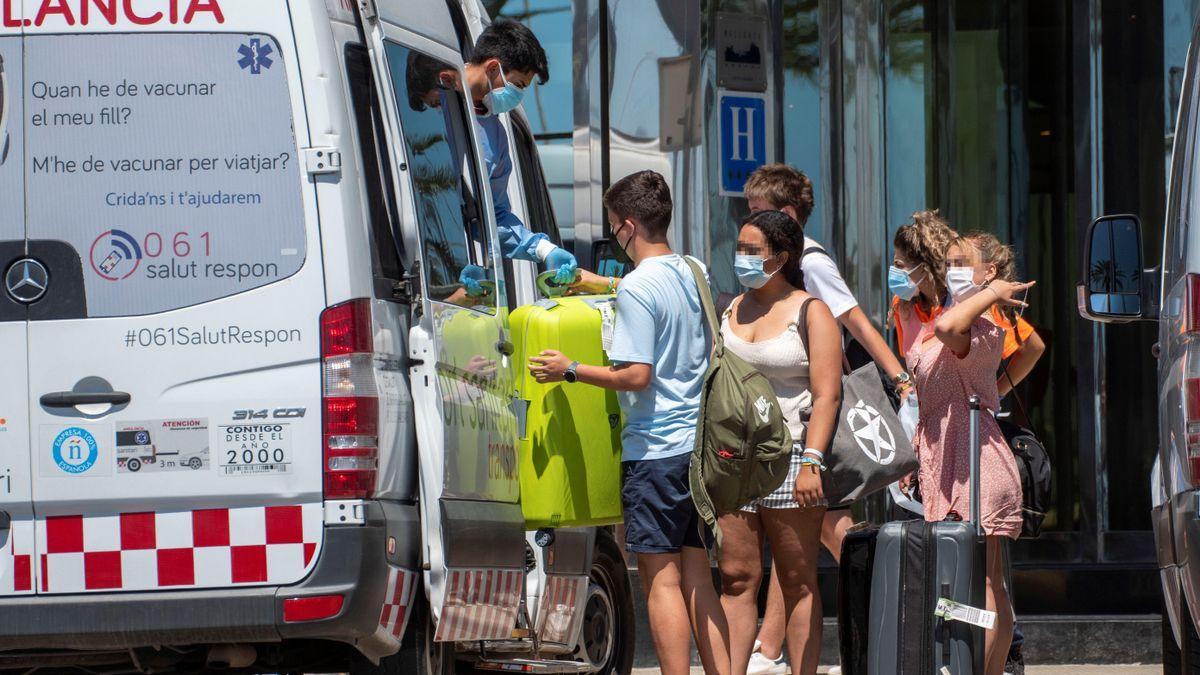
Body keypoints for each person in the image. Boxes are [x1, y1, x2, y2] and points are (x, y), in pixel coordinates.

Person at [527, 171, 731, 675]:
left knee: (660, 581)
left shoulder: (639, 288)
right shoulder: (694, 270)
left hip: (656, 452)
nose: (616, 234)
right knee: (699, 579)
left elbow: (636, 375)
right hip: (699, 450)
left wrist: (568, 369)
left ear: (629, 226)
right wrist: (605, 284)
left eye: (615, 226)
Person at [739, 164, 913, 675]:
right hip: (797, 421)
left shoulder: (808, 262)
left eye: (759, 214)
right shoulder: (782, 267)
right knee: (799, 539)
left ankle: (899, 616)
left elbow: (853, 318)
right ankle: (770, 651)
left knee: (831, 531)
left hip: (818, 418)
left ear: (786, 215)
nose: (750, 227)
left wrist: (900, 378)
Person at [892, 210, 1031, 675]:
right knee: (954, 584)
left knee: (986, 581)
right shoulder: (950, 314)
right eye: (947, 260)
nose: (952, 268)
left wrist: (991, 293)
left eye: (962, 261)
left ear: (989, 272)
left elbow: (951, 332)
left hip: (976, 461)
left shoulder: (985, 322)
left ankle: (987, 670)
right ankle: (963, 663)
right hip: (944, 458)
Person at [715, 210, 843, 675]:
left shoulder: (811, 310)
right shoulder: (730, 307)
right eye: (740, 249)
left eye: (753, 251)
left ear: (781, 257)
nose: (741, 258)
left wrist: (813, 460)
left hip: (791, 456)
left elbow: (828, 394)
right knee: (736, 578)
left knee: (796, 580)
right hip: (733, 461)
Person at [419, 20, 577, 300]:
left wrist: (543, 250)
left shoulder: (497, 137)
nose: (517, 95)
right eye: (517, 84)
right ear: (492, 67)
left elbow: (494, 217)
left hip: (449, 281)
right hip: (417, 264)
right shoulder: (429, 96)